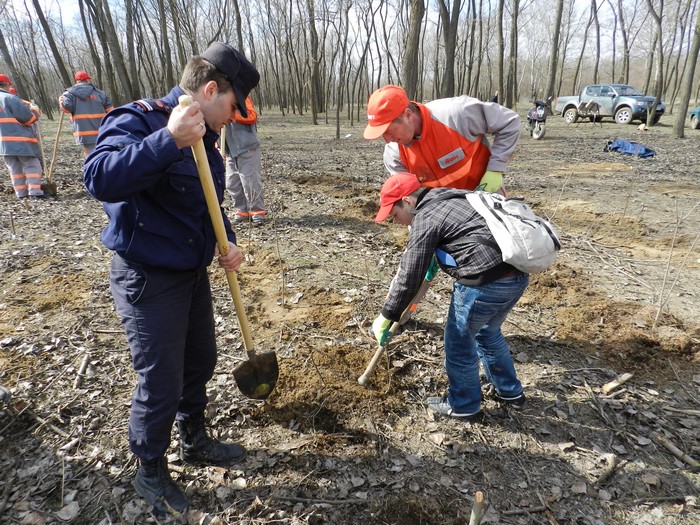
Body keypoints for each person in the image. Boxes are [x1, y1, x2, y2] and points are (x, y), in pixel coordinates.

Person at [83, 42, 260, 517]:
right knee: (160, 378)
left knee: (200, 359)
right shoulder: (140, 119)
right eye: (232, 105)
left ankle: (194, 438)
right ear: (209, 89)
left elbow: (207, 203)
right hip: (147, 276)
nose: (234, 116)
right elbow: (99, 177)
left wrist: (228, 241)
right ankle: (150, 468)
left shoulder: (207, 138)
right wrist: (167, 140)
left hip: (190, 272)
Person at [370, 172, 529, 422]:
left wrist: (387, 314)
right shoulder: (455, 198)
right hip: (516, 278)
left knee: (459, 344)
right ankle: (510, 392)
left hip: (484, 284)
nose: (396, 221)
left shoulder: (426, 217)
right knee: (488, 332)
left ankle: (465, 405)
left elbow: (410, 274)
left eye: (394, 214)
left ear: (408, 201)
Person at [363, 85, 520, 194]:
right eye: (382, 135)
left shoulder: (456, 114)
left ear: (408, 115)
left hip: (485, 197)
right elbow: (410, 195)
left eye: (389, 131)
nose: (388, 140)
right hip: (441, 214)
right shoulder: (394, 154)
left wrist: (495, 169)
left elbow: (509, 122)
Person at [0, 74, 45, 199]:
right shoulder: (11, 98)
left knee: (14, 169)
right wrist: (35, 110)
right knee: (32, 165)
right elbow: (28, 119)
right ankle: (35, 193)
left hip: (3, 144)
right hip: (20, 141)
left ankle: (21, 193)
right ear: (8, 85)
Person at [224, 96, 267, 224]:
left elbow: (252, 116)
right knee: (232, 183)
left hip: (247, 147)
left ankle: (257, 212)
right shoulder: (216, 100)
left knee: (250, 182)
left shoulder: (243, 98)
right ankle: (242, 211)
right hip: (231, 151)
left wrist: (233, 114)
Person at [59, 71, 114, 156]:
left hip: (84, 132)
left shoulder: (69, 94)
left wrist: (60, 101)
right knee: (104, 153)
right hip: (102, 130)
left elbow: (67, 109)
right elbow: (111, 112)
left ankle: (94, 167)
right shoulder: (100, 93)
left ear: (77, 81)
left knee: (90, 155)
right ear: (88, 80)